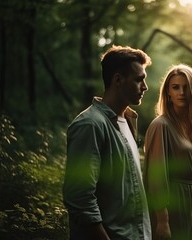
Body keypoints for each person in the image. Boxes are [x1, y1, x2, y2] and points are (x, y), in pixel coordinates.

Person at [63, 45, 152, 240]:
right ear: (118, 80)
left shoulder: (129, 121)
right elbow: (79, 197)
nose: (145, 87)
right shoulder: (90, 125)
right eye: (139, 79)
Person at [144, 64, 192, 240]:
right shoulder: (161, 126)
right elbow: (156, 177)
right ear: (167, 92)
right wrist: (162, 221)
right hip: (176, 205)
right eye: (175, 87)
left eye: (186, 87)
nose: (181, 92)